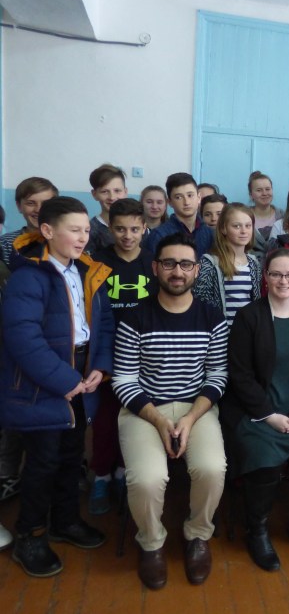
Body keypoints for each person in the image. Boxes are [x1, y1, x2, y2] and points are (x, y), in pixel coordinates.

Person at [0, 196, 114, 577]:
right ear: (47, 231)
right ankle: (30, 535)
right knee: (43, 462)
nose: (83, 237)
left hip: (82, 376)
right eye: (74, 230)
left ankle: (65, 521)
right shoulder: (29, 276)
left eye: (86, 230)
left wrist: (99, 367)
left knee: (70, 456)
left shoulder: (87, 271)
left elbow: (104, 325)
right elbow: (23, 339)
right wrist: (66, 381)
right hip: (45, 384)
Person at [112, 232, 228, 589]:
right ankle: (151, 542)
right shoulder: (135, 317)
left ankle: (198, 534)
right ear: (155, 268)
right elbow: (123, 379)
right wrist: (160, 420)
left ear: (197, 270)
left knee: (212, 468)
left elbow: (217, 375)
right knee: (147, 479)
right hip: (145, 410)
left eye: (186, 264)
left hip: (197, 408)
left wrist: (191, 418)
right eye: (169, 263)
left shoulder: (212, 317)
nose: (177, 271)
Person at [225, 248, 289, 571]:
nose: (284, 281)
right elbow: (240, 375)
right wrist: (270, 416)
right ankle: (257, 531)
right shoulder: (249, 317)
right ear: (265, 278)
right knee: (266, 465)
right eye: (276, 274)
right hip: (258, 413)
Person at [89, 198, 157, 515]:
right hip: (107, 354)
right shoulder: (97, 263)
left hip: (143, 356)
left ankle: (122, 472)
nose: (127, 236)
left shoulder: (153, 263)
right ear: (110, 229)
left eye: (134, 229)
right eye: (120, 229)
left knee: (134, 417)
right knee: (105, 419)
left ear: (144, 228)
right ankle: (101, 475)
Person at [0, 176, 58, 504]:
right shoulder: (8, 244)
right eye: (30, 203)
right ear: (20, 206)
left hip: (57, 340)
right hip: (19, 337)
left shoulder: (66, 240)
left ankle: (60, 470)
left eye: (45, 203)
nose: (37, 209)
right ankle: (8, 474)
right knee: (16, 411)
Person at [194, 203, 261, 333]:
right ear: (224, 229)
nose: (244, 231)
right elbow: (201, 302)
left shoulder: (254, 263)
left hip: (247, 333)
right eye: (237, 226)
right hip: (221, 333)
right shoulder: (210, 263)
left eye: (248, 226)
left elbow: (255, 302)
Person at [144, 173, 214, 257]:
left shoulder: (209, 232)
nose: (186, 202)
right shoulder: (159, 235)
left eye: (190, 195)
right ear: (170, 202)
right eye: (178, 197)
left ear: (199, 197)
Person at [86, 163, 128, 254]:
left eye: (117, 191)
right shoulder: (90, 230)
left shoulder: (137, 226)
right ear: (94, 194)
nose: (112, 197)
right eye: (104, 191)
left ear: (125, 192)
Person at [248, 171, 283, 240]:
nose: (264, 193)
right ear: (251, 195)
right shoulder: (244, 216)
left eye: (267, 189)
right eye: (259, 190)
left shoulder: (283, 216)